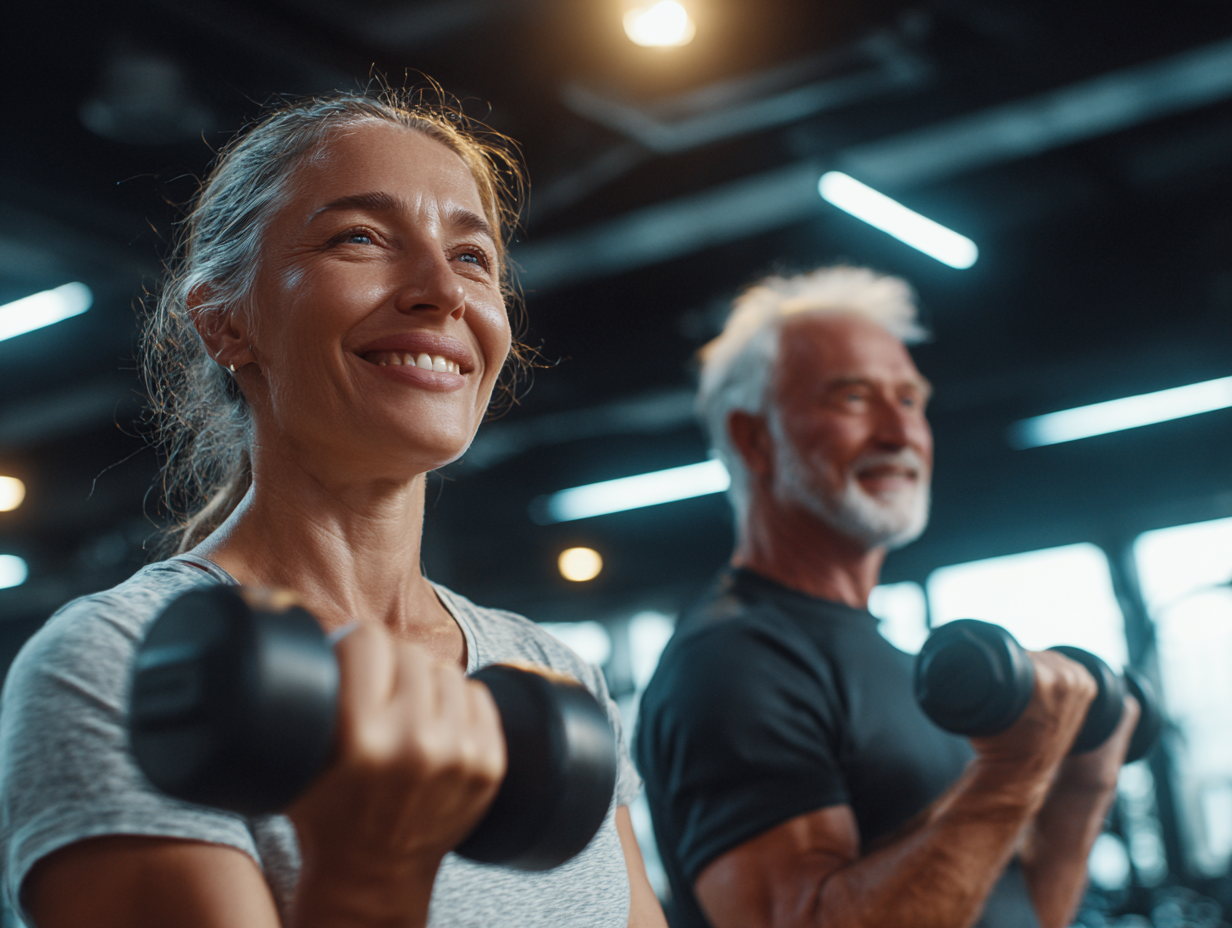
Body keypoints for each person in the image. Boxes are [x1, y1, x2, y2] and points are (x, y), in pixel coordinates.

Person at [0, 91, 667, 928]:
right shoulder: (119, 669)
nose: (440, 292)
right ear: (225, 322)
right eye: (361, 238)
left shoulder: (553, 672)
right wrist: (368, 866)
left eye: (472, 257)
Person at [635, 267, 1137, 928]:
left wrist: (1082, 784)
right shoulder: (734, 661)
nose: (900, 433)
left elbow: (1011, 912)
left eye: (908, 400)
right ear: (755, 439)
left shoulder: (893, 659)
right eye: (853, 398)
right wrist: (1012, 774)